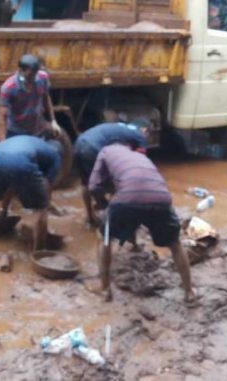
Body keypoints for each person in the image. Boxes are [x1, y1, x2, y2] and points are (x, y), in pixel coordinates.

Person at [88, 143, 194, 303]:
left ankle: (105, 289)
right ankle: (189, 291)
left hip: (128, 197)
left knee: (103, 238)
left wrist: (103, 204)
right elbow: (142, 186)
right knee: (175, 244)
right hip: (160, 197)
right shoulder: (140, 157)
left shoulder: (104, 152)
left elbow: (93, 186)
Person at [0, 135, 61, 258]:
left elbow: (11, 183)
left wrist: (3, 210)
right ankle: (38, 256)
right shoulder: (55, 157)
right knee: (40, 210)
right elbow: (46, 188)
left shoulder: (32, 142)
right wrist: (45, 206)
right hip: (21, 161)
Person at [73, 121, 150, 227]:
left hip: (78, 143)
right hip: (93, 148)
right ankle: (109, 214)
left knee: (85, 183)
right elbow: (139, 163)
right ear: (144, 130)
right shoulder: (139, 135)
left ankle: (90, 217)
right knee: (114, 183)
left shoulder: (120, 127)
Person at [0, 54, 60, 141]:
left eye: (35, 74)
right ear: (21, 71)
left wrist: (53, 121)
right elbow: (2, 118)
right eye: (30, 75)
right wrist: (2, 143)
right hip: (16, 132)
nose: (33, 78)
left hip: (37, 129)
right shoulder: (8, 88)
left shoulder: (42, 78)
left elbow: (46, 98)